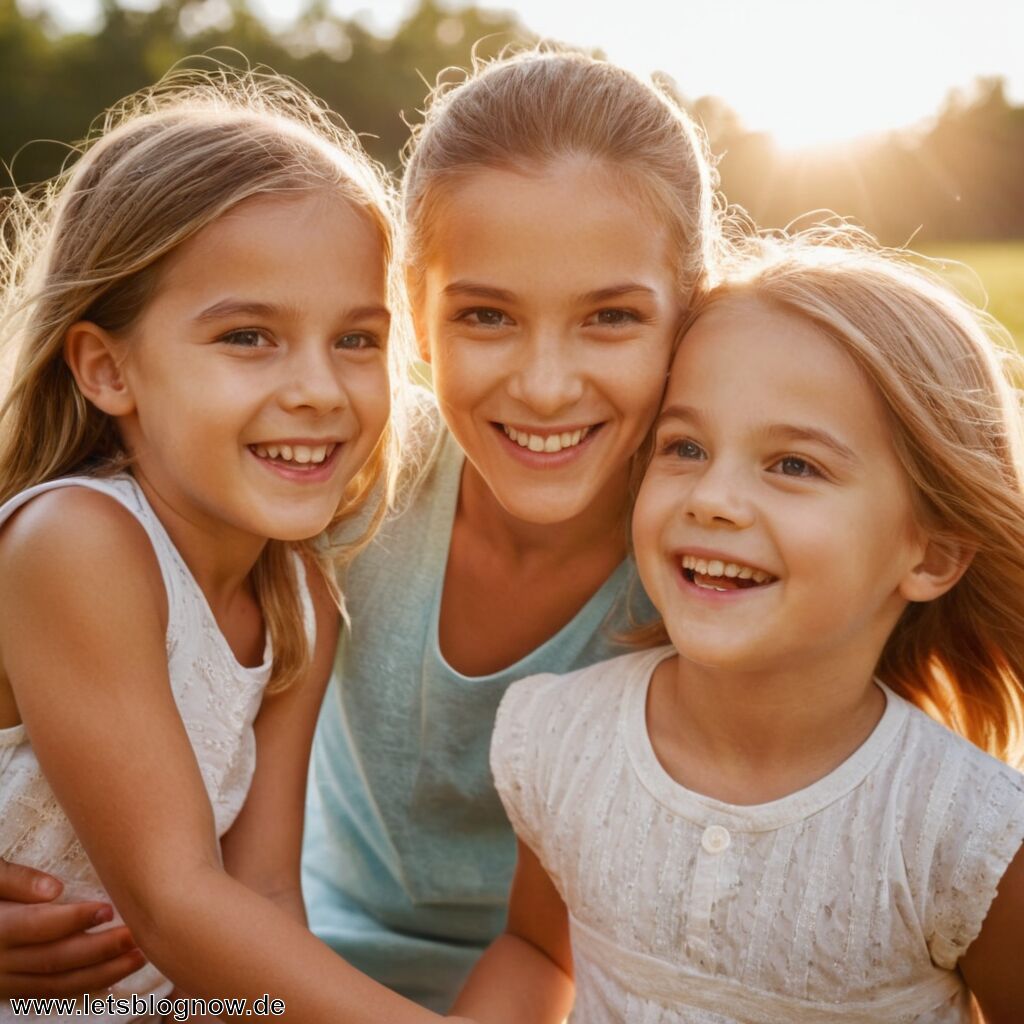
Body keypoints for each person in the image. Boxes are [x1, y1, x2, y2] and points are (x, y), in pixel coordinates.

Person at [0, 48, 720, 1010]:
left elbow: (252, 899)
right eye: (488, 315)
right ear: (421, 319)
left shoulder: (295, 574)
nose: (546, 384)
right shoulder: (317, 514)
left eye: (612, 316)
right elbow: (191, 901)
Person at [0, 69, 471, 1023]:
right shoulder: (78, 543)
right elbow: (177, 902)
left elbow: (258, 911)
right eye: (250, 336)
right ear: (108, 368)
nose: (319, 390)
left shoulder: (302, 602)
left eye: (355, 339)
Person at [460, 233, 1024, 1023]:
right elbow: (537, 952)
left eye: (793, 465)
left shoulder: (966, 834)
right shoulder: (561, 738)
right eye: (685, 447)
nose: (713, 498)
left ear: (931, 554)